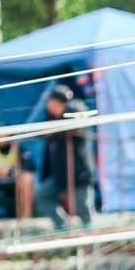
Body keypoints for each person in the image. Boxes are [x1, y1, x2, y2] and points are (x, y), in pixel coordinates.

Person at [38, 84, 95, 227]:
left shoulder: (75, 110)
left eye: (50, 102)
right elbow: (41, 131)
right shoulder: (51, 118)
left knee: (84, 210)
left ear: (58, 102)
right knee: (43, 196)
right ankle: (63, 226)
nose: (48, 105)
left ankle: (93, 240)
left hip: (79, 173)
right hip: (61, 174)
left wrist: (62, 115)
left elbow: (77, 118)